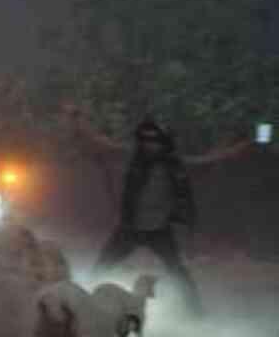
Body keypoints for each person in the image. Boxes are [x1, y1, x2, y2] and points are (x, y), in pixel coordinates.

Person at [66, 104, 253, 317]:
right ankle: (82, 304)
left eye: (154, 141)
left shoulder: (175, 165)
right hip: (130, 229)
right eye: (146, 141)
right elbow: (103, 144)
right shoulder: (132, 157)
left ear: (164, 143)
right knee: (102, 265)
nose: (149, 145)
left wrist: (238, 148)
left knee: (178, 272)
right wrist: (78, 123)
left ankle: (196, 313)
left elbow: (206, 161)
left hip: (159, 231)